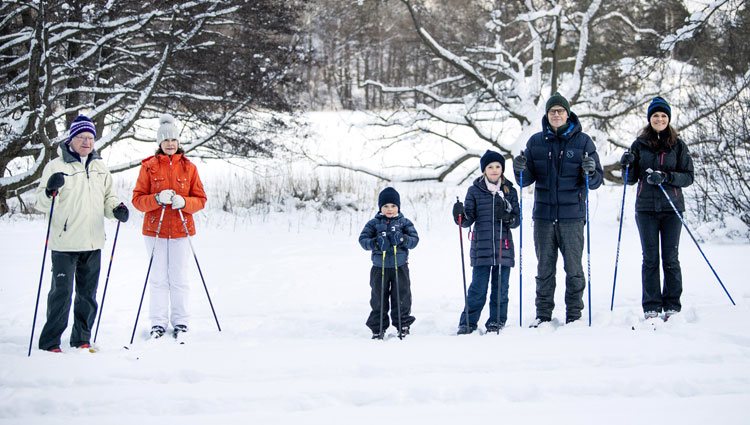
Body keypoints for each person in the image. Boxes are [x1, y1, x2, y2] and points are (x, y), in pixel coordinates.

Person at [34, 115, 129, 352]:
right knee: (62, 295)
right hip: (64, 243)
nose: (86, 142)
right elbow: (41, 202)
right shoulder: (55, 167)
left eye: (90, 138)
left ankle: (81, 339)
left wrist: (116, 209)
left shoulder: (100, 167)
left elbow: (108, 198)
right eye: (81, 137)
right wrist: (49, 190)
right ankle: (50, 342)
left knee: (88, 295)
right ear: (71, 139)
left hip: (93, 241)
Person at [512, 92, 603, 327]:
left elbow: (595, 181)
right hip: (543, 217)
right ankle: (543, 314)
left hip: (572, 217)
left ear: (568, 113)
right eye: (552, 111)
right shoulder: (535, 142)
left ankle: (574, 314)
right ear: (547, 114)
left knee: (574, 269)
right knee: (544, 269)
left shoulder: (583, 142)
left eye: (560, 111)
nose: (556, 114)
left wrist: (591, 171)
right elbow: (525, 181)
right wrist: (519, 169)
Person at [132, 114, 207, 339]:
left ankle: (181, 322)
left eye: (173, 140)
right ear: (159, 143)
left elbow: (201, 200)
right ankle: (157, 323)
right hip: (155, 231)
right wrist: (156, 198)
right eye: (166, 141)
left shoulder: (189, 168)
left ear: (178, 141)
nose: (170, 144)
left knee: (179, 278)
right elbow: (137, 200)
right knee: (157, 279)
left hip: (181, 231)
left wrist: (185, 203)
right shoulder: (149, 167)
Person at [620, 96, 694, 320]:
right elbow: (630, 179)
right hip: (646, 209)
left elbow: (688, 177)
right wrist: (627, 163)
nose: (659, 119)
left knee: (670, 257)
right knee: (650, 258)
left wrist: (666, 177)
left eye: (663, 116)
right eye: (655, 116)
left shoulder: (678, 145)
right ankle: (651, 305)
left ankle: (672, 303)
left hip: (672, 208)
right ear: (649, 119)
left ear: (668, 119)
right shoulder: (639, 144)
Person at [452, 150, 520, 334]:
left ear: (502, 169)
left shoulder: (510, 191)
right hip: (481, 247)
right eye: (490, 167)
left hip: (503, 247)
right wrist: (459, 215)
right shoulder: (474, 191)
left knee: (500, 289)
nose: (494, 170)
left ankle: (496, 321)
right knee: (477, 289)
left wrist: (507, 217)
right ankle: (468, 322)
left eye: (498, 166)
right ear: (484, 170)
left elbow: (516, 221)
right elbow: (467, 220)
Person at [358, 187, 419, 339]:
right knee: (378, 298)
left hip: (400, 267)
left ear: (398, 207)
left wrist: (403, 239)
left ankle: (403, 325)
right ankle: (378, 327)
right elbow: (363, 240)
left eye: (393, 206)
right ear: (380, 207)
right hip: (380, 267)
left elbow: (414, 241)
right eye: (385, 206)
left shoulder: (404, 223)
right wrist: (375, 243)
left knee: (402, 297)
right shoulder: (373, 223)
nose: (389, 209)